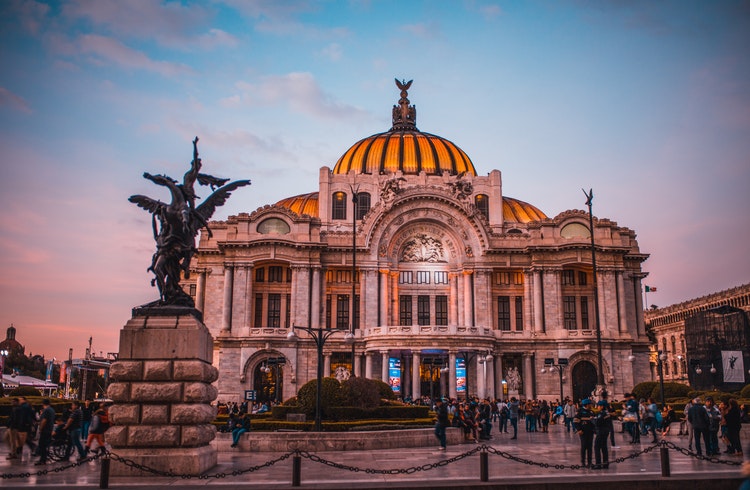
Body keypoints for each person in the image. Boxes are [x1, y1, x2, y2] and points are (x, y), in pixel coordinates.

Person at [574, 398, 595, 468]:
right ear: (587, 405)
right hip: (583, 432)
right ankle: (583, 462)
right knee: (584, 447)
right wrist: (579, 429)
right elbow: (576, 421)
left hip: (590, 432)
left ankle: (589, 462)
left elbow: (593, 422)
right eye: (590, 404)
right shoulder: (580, 411)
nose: (591, 405)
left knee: (590, 447)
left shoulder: (591, 412)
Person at [34, 399, 56, 466]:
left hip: (45, 430)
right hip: (49, 429)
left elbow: (44, 420)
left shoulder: (46, 410)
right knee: (44, 445)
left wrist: (40, 428)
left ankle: (42, 460)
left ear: (43, 404)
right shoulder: (52, 410)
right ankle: (44, 458)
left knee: (42, 445)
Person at [593, 400, 611, 469]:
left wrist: (593, 420)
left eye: (598, 406)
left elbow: (598, 422)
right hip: (606, 431)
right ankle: (605, 463)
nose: (597, 407)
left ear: (602, 406)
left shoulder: (602, 413)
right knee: (604, 447)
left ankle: (598, 464)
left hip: (601, 432)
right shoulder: (607, 413)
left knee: (597, 447)